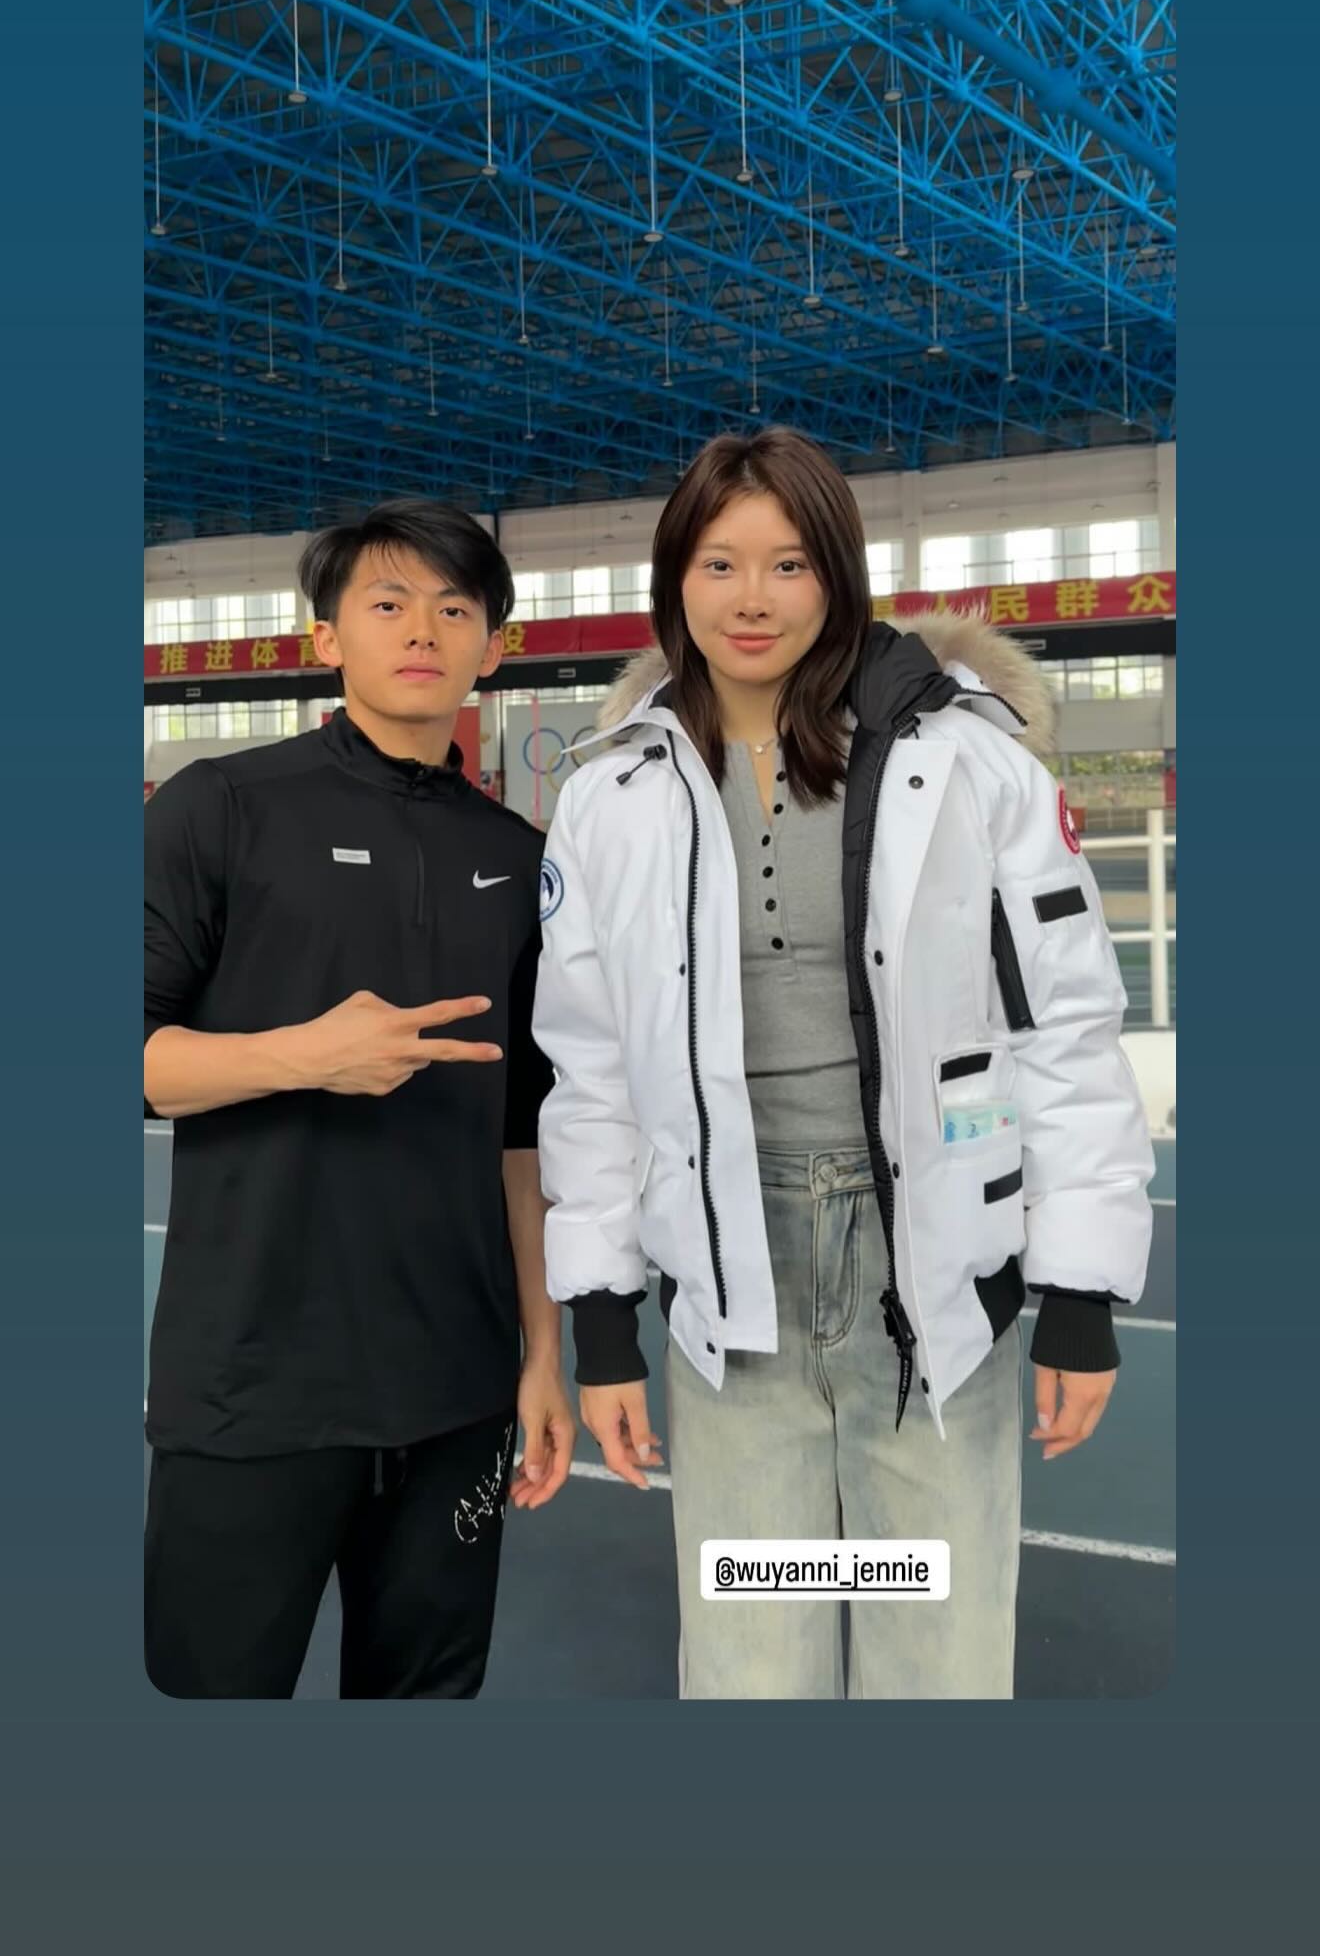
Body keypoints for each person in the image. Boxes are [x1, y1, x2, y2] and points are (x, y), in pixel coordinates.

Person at [533, 430, 1154, 1700]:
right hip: (728, 1275)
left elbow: (1065, 1030)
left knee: (935, 1656)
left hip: (927, 1264)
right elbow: (590, 1071)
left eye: (790, 563)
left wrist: (1081, 1294)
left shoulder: (968, 761)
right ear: (675, 576)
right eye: (719, 562)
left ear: (839, 575)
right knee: (753, 1659)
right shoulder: (615, 795)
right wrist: (600, 1322)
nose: (751, 598)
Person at [144, 498, 574, 1698]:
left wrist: (544, 1354)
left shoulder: (519, 857)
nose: (422, 629)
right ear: (325, 636)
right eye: (388, 603)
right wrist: (301, 1056)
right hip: (251, 1386)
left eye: (454, 608)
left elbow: (525, 1137)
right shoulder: (220, 807)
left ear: (495, 647)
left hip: (456, 1391)